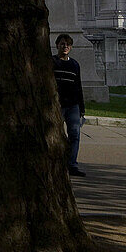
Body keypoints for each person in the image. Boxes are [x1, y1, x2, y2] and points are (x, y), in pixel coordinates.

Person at [53, 33, 87, 177]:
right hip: (58, 104)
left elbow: (78, 86)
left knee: (75, 134)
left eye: (67, 44)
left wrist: (82, 108)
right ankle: (56, 162)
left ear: (71, 47)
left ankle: (72, 164)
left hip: (73, 105)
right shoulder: (52, 62)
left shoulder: (74, 65)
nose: (65, 46)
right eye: (62, 44)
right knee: (55, 134)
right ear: (57, 46)